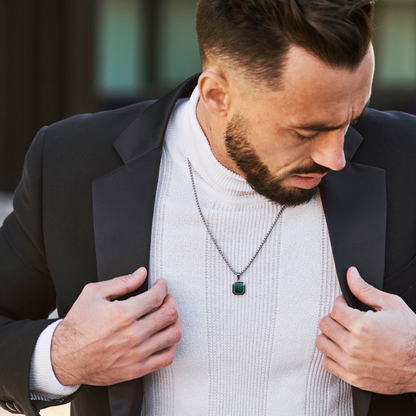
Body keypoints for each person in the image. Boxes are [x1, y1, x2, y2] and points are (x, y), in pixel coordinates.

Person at [1, 0, 416, 415]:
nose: (336, 158)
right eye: (306, 131)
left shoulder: (407, 159)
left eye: (351, 120)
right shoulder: (70, 163)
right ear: (217, 95)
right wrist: (61, 355)